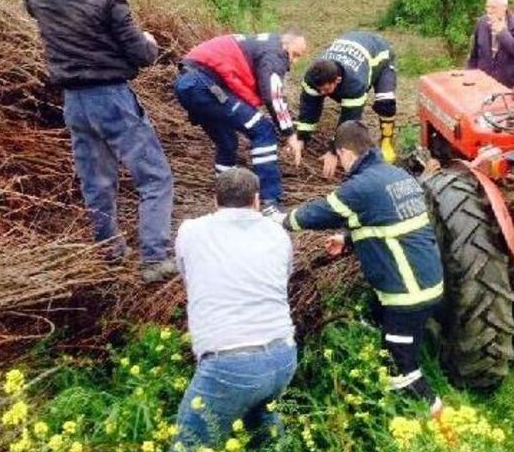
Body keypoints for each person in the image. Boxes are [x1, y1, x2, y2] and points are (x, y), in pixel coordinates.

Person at [283, 121, 444, 415]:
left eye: (340, 158)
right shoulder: (395, 175)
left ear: (345, 153)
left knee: (399, 369)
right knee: (394, 345)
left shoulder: (361, 186)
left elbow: (319, 212)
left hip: (407, 293)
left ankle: (442, 428)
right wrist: (347, 238)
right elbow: (385, 219)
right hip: (426, 282)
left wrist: (279, 222)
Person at [26, 0, 176, 283]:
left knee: (96, 182)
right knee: (155, 178)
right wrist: (149, 42)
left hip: (74, 103)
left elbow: (49, 18)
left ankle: (110, 253)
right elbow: (140, 54)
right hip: (111, 98)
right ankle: (154, 259)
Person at [173, 168, 296, 449]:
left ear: (215, 201)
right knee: (263, 434)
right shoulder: (278, 233)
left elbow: (186, 273)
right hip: (282, 356)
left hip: (229, 363)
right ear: (256, 200)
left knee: (190, 444)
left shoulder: (191, 231)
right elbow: (282, 277)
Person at [175, 32, 307, 219]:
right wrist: (289, 133)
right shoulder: (275, 53)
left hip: (188, 83)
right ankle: (270, 204)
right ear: (286, 44)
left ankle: (226, 202)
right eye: (295, 54)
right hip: (203, 83)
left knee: (227, 143)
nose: (293, 62)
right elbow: (273, 94)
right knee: (263, 130)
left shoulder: (260, 45)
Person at [294, 31, 398, 174]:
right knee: (314, 99)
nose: (322, 93)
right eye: (319, 89)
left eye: (326, 89)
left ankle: (387, 140)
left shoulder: (354, 83)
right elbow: (309, 109)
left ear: (337, 80)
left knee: (385, 103)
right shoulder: (311, 77)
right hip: (352, 43)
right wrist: (301, 138)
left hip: (380, 53)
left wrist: (333, 150)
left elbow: (349, 121)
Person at [466, 0, 514, 91]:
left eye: (493, 8)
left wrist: (503, 33)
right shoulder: (482, 23)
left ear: (504, 7)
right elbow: (474, 55)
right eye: (487, 7)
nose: (489, 11)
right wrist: (470, 76)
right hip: (483, 83)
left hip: (508, 85)